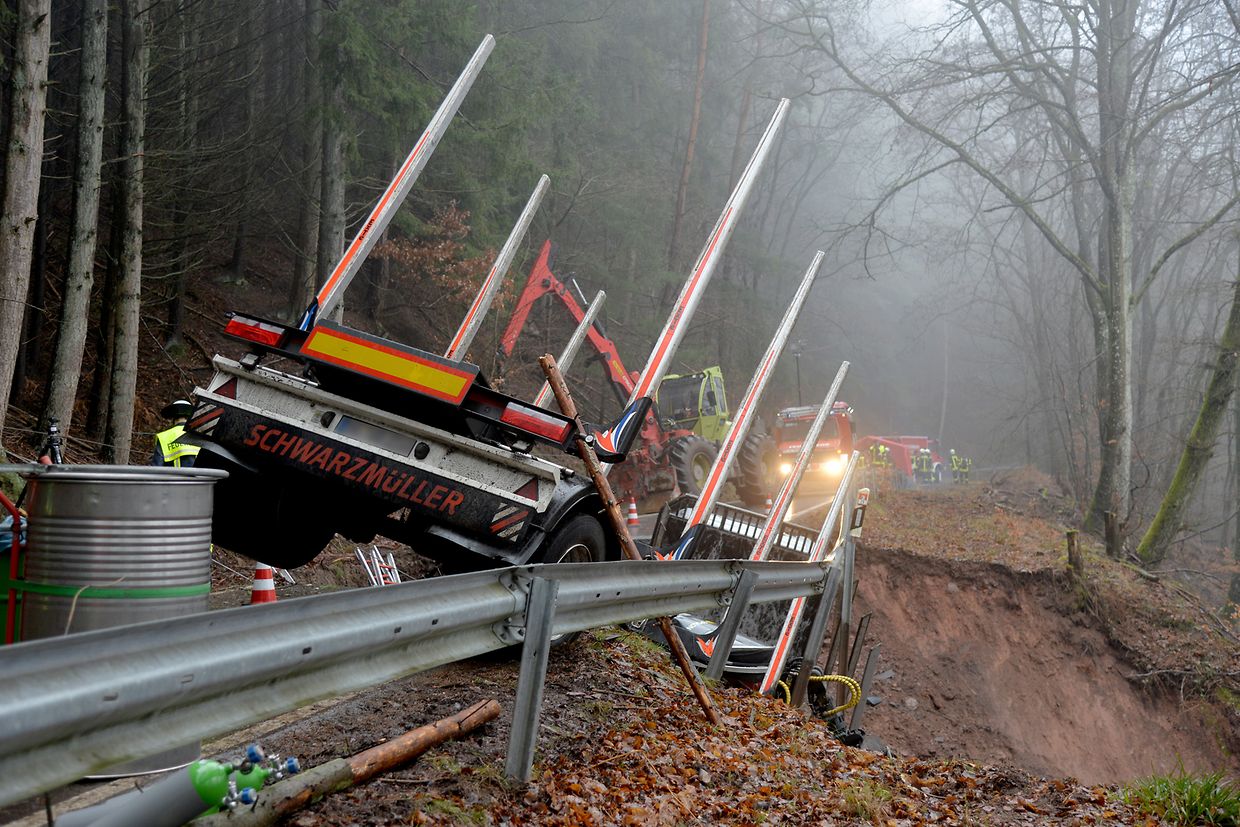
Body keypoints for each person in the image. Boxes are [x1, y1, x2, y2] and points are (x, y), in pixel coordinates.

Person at [150, 399, 200, 467]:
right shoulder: (200, 436)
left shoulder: (164, 437)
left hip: (174, 477)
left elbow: (157, 467)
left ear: (173, 418)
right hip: (199, 477)